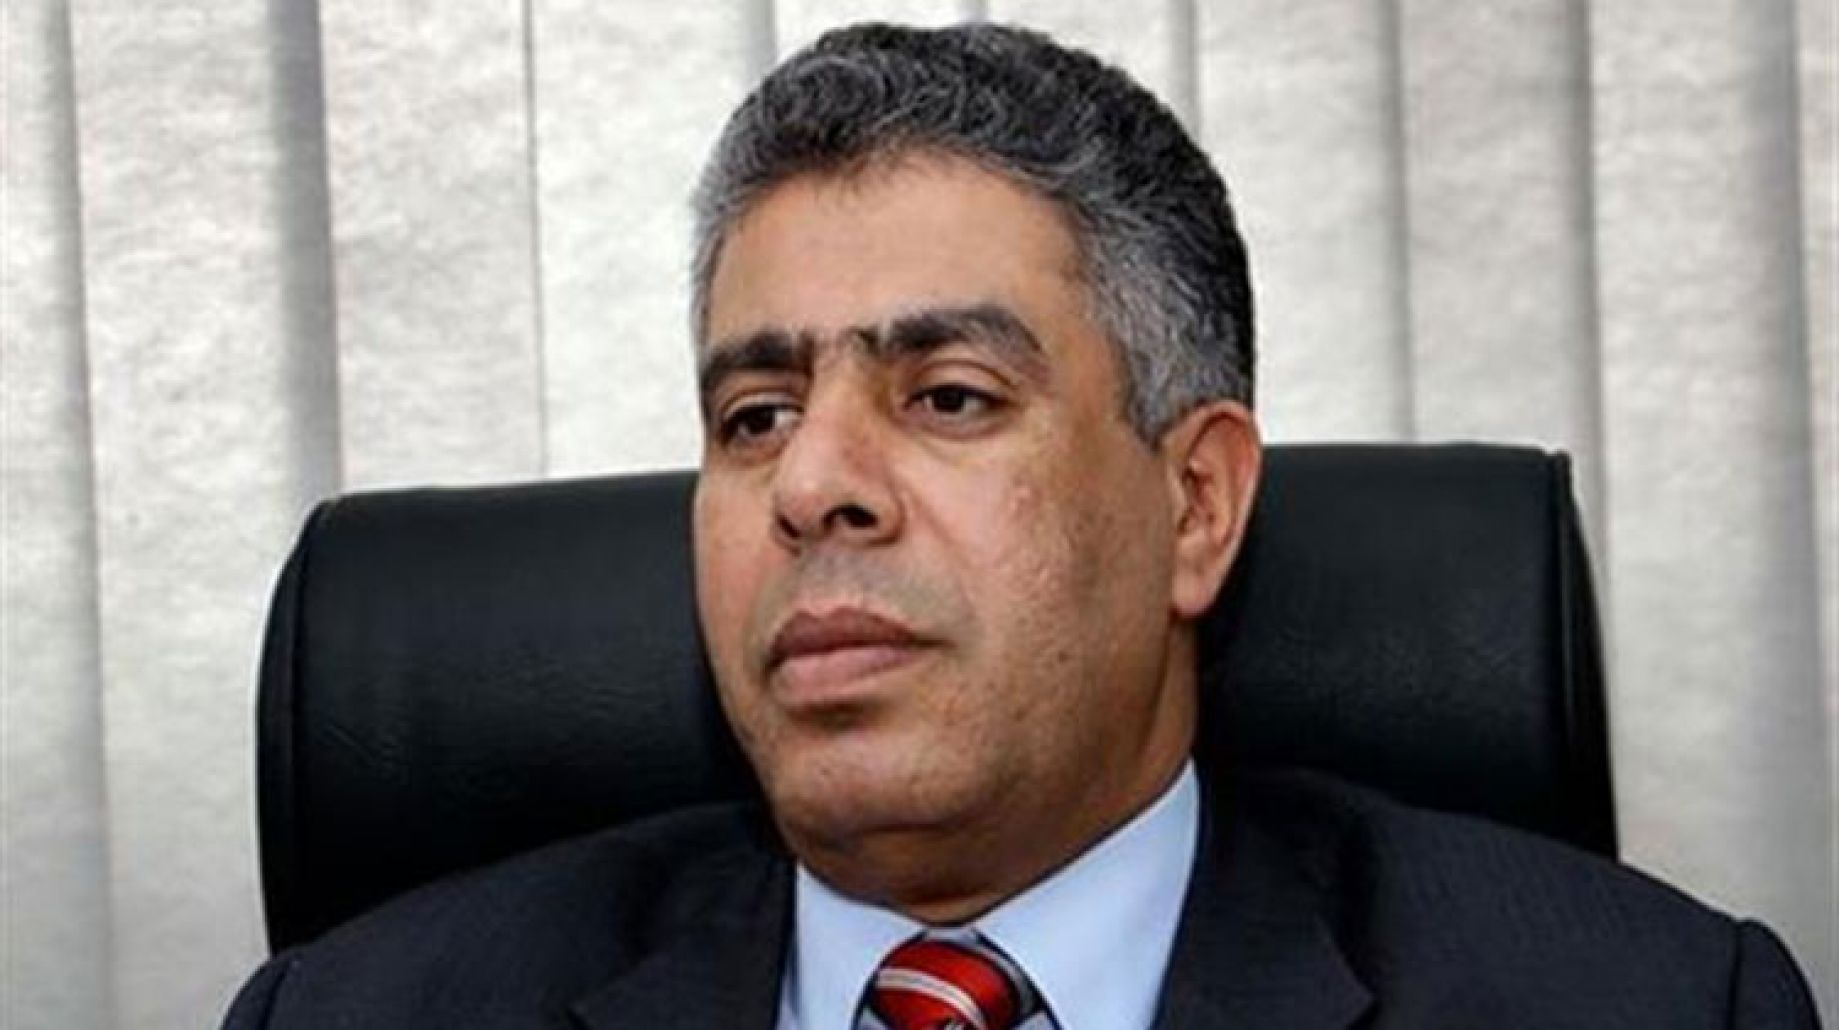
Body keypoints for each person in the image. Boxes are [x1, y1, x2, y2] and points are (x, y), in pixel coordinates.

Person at [222, 21, 1821, 1030]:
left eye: (948, 395)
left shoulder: (1651, 1004)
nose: (811, 483)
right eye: (755, 414)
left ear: (1195, 503)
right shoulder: (359, 1014)